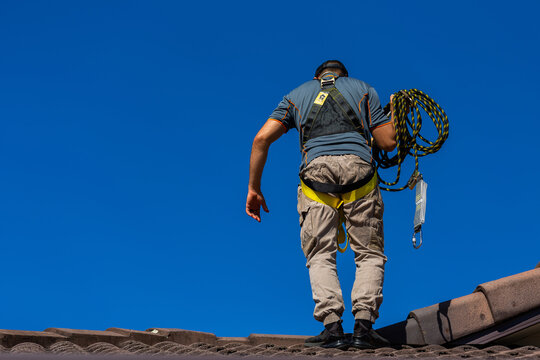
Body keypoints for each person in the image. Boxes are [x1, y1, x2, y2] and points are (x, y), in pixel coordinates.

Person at [246, 60, 397, 349]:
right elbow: (387, 143)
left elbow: (261, 139)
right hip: (359, 172)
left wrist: (254, 188)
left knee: (320, 254)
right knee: (368, 253)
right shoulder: (364, 89)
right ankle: (363, 327)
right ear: (344, 76)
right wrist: (395, 116)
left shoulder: (295, 95)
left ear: (317, 77)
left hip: (316, 178)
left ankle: (332, 328)